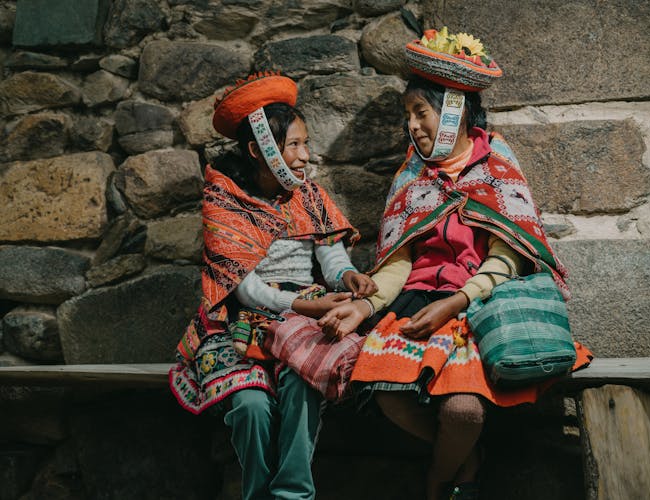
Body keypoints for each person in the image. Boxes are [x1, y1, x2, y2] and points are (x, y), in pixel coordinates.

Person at [319, 27, 593, 500]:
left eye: (420, 113)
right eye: (408, 116)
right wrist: (363, 309)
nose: (412, 126)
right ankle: (464, 462)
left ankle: (438, 480)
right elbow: (397, 262)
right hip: (413, 304)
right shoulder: (412, 177)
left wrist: (458, 301)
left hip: (472, 307)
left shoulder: (497, 169)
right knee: (388, 394)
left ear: (452, 111)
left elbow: (509, 257)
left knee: (463, 412)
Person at [169, 72, 377, 500]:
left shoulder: (310, 196)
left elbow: (330, 255)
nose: (305, 156)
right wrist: (307, 306)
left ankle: (292, 494)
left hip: (302, 313)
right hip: (240, 321)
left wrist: (346, 276)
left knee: (305, 384)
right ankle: (257, 493)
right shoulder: (224, 201)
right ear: (258, 149)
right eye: (294, 145)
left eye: (306, 143)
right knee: (250, 406)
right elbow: (246, 290)